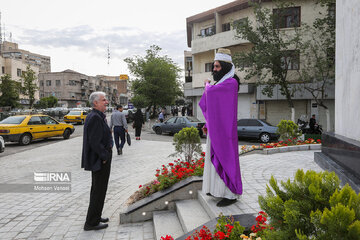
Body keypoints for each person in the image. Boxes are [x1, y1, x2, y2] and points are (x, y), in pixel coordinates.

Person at [199, 48, 242, 207]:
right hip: (216, 130)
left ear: (224, 67)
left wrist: (206, 85)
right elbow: (214, 109)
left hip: (225, 132)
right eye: (213, 67)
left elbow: (211, 94)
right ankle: (217, 191)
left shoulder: (231, 83)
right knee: (215, 160)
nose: (214, 70)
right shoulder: (222, 83)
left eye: (217, 67)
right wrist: (207, 124)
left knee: (226, 160)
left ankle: (230, 194)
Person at [81, 91, 113, 231]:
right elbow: (94, 141)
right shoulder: (94, 117)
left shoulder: (97, 116)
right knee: (98, 191)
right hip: (99, 161)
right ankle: (91, 223)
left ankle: (96, 215)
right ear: (95, 103)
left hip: (100, 160)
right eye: (103, 100)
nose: (106, 102)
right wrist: (104, 156)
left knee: (98, 189)